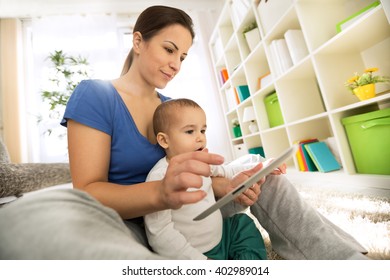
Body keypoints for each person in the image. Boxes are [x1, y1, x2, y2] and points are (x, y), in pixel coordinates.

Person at [0, 5, 368, 260]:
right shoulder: (96, 94)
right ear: (138, 41)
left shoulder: (172, 108)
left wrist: (224, 188)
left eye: (184, 56)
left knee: (269, 179)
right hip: (137, 223)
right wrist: (161, 193)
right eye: (169, 49)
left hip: (190, 217)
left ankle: (347, 261)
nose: (176, 64)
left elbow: (194, 177)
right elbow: (90, 192)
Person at [145, 98, 269, 260]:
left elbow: (227, 170)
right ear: (164, 140)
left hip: (221, 238)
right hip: (195, 253)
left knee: (242, 223)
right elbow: (160, 233)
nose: (200, 138)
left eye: (203, 131)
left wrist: (262, 166)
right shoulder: (159, 177)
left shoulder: (202, 161)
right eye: (190, 131)